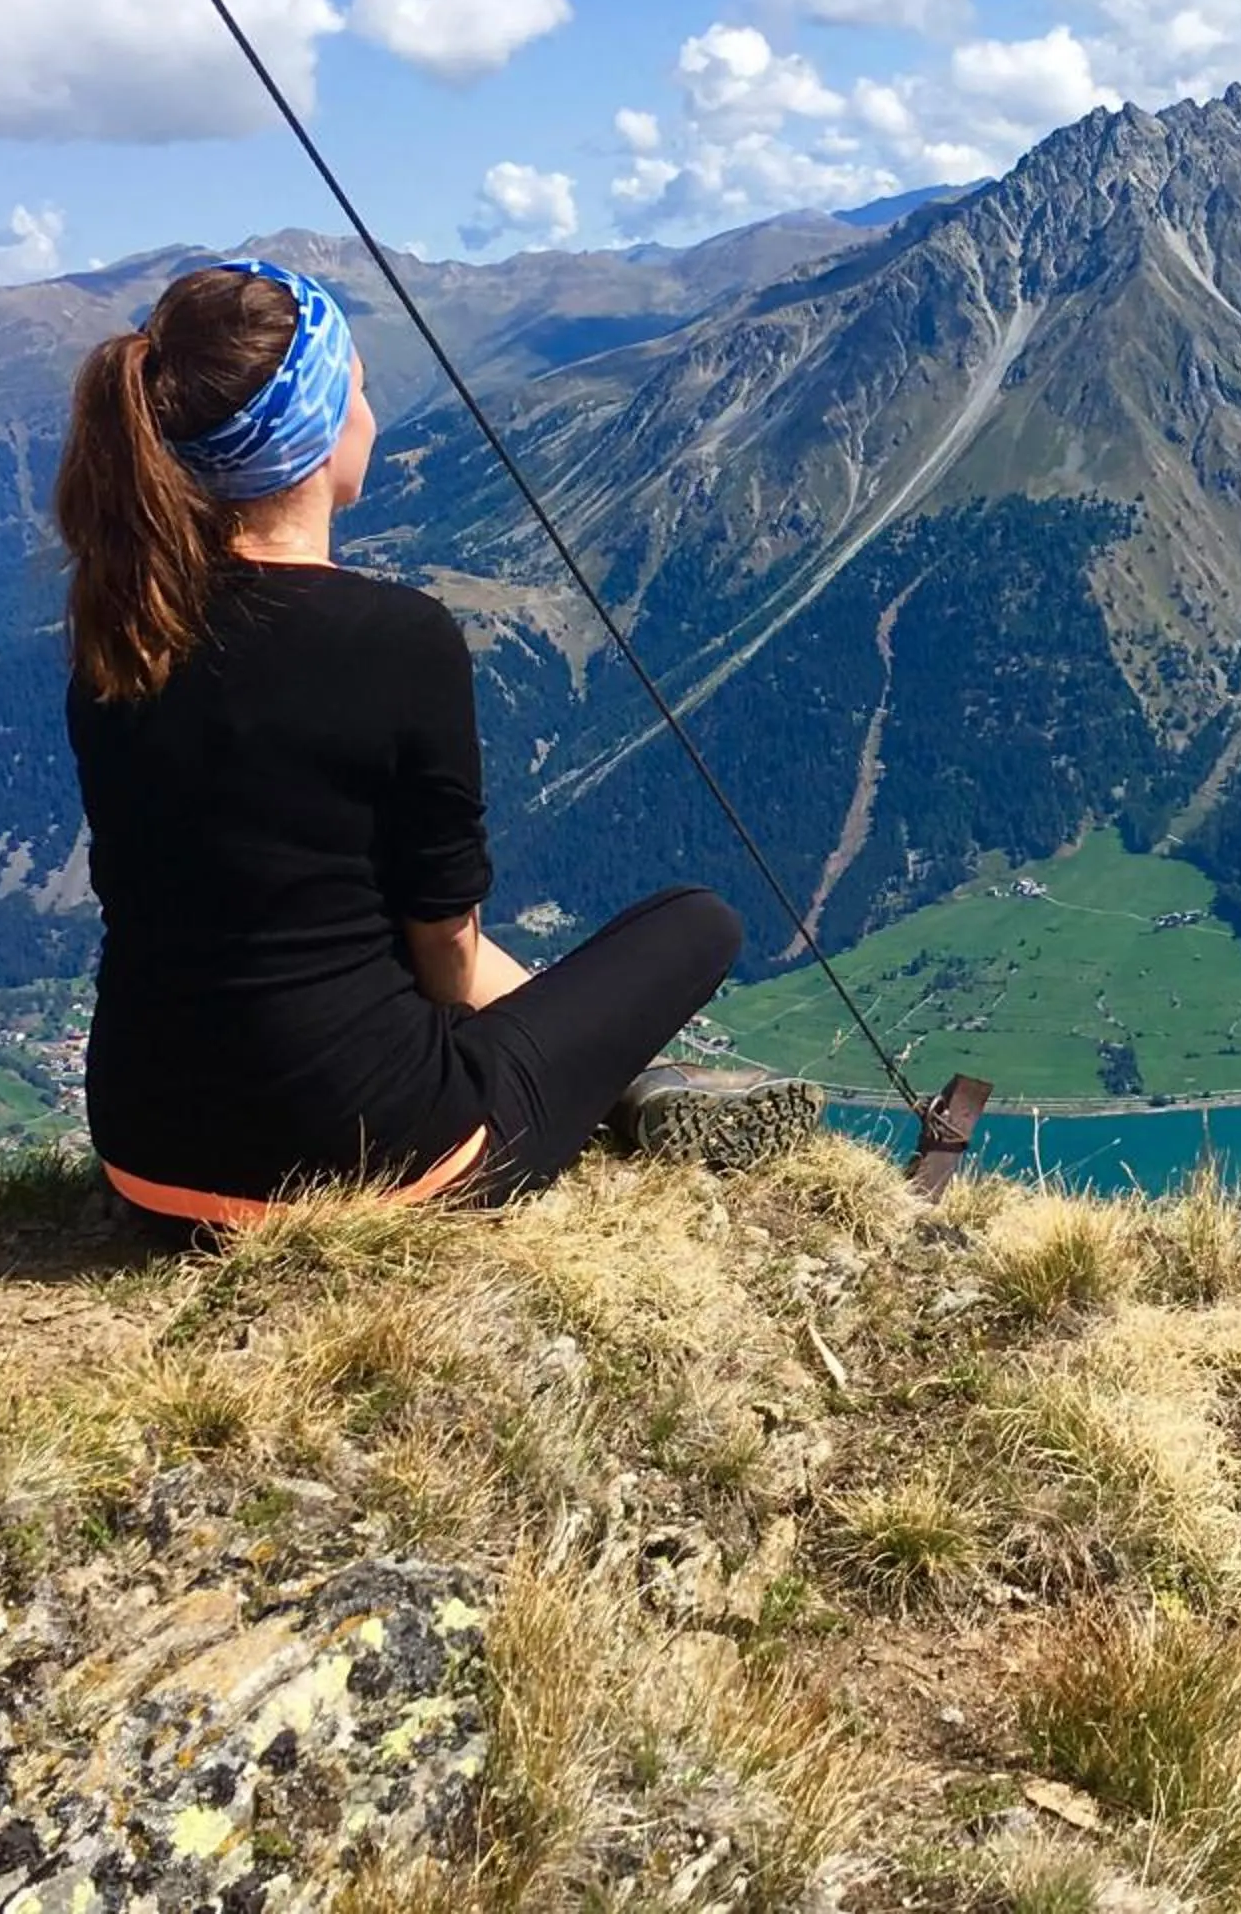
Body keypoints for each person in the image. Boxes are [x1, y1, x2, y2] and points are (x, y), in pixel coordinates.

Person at [54, 258, 818, 1227]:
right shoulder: (401, 640)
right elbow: (444, 949)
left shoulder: (121, 640)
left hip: (146, 1153)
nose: (373, 418)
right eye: (361, 392)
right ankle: (628, 1089)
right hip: (367, 1152)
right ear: (319, 431)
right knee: (701, 922)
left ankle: (635, 1088)